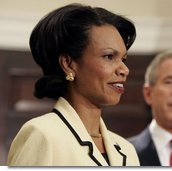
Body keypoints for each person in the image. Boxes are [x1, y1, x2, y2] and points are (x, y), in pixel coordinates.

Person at [7, 3, 139, 166]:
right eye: (109, 56)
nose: (124, 70)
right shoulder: (42, 135)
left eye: (123, 59)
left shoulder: (127, 150)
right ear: (68, 64)